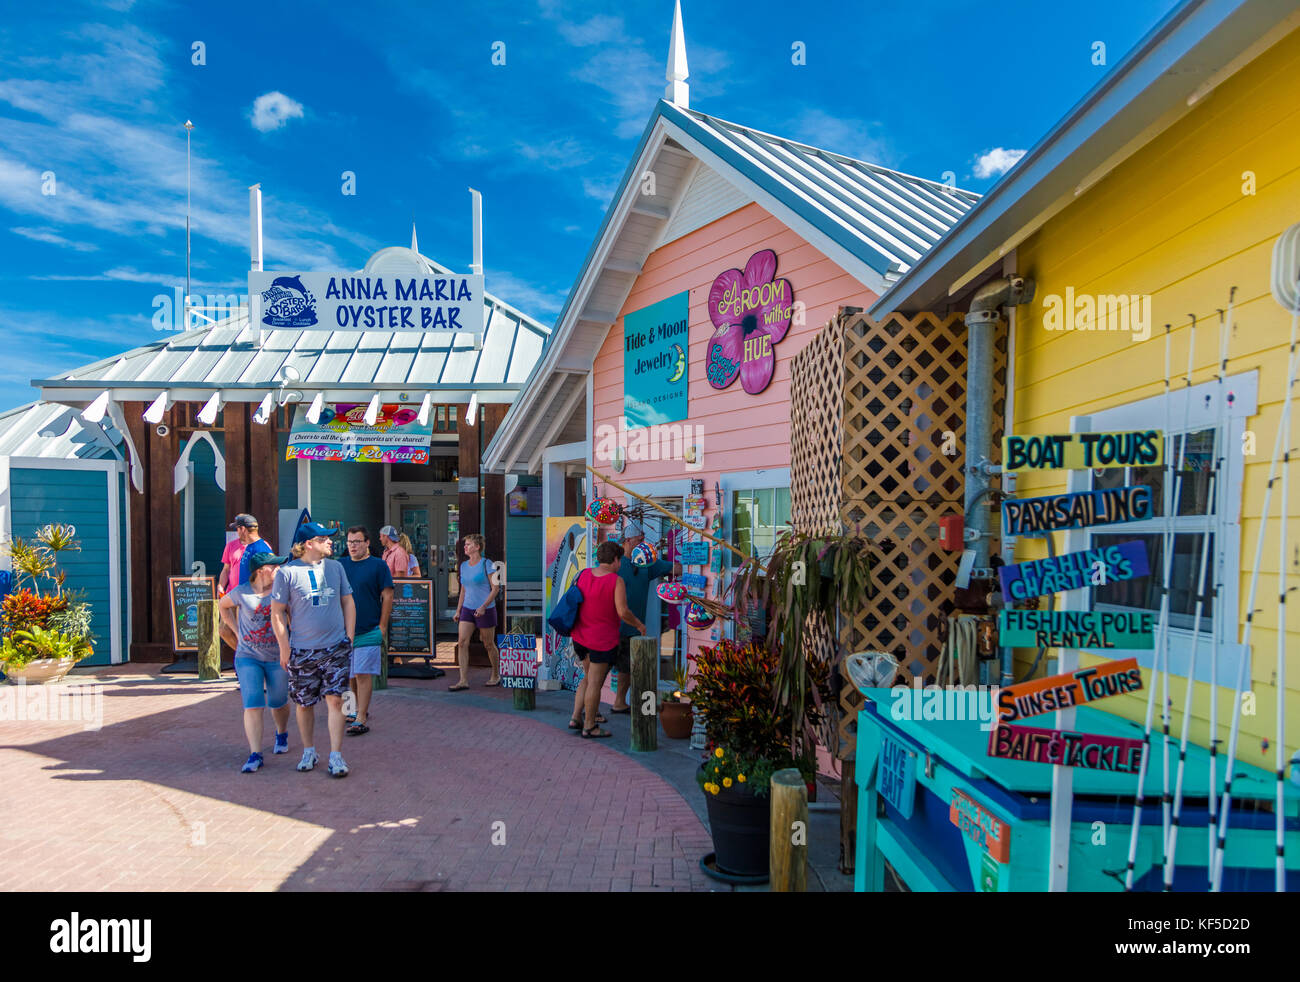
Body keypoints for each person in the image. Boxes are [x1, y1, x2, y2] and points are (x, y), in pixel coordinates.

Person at [271, 522, 356, 778]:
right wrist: (284, 648)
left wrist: (349, 637)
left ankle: (336, 755)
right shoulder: (286, 573)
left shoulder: (336, 567)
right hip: (302, 649)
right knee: (304, 703)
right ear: (309, 544)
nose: (331, 542)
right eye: (324, 538)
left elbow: (348, 601)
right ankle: (309, 751)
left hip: (335, 647)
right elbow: (276, 612)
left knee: (337, 699)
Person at [219, 551, 291, 772]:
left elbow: (292, 616)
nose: (279, 569)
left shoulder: (281, 592)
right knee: (253, 704)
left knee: (278, 701)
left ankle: (281, 732)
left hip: (275, 656)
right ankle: (255, 753)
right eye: (274, 566)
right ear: (262, 571)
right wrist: (236, 632)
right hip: (248, 656)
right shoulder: (241, 592)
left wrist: (288, 646)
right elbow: (223, 605)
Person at [568, 540, 646, 738]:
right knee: (595, 682)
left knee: (587, 678)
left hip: (580, 636)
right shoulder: (615, 580)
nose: (620, 564)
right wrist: (638, 624)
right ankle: (589, 726)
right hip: (601, 639)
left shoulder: (584, 574)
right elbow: (623, 611)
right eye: (619, 560)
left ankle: (575, 717)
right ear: (615, 559)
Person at [609, 529, 680, 714]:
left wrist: (695, 566)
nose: (642, 542)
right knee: (601, 668)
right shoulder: (615, 563)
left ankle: (619, 702)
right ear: (627, 540)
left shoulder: (646, 564)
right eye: (638, 539)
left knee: (627, 668)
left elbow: (674, 567)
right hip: (610, 625)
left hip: (632, 627)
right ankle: (588, 711)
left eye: (643, 539)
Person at [339, 525, 393, 736]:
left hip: (369, 628)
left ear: (367, 543)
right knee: (347, 674)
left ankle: (361, 716)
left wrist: (382, 625)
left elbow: (387, 595)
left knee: (362, 674)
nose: (353, 546)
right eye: (350, 542)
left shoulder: (378, 566)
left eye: (357, 542)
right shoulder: (340, 565)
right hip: (343, 630)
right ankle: (351, 710)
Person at [449, 533, 500, 691]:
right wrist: (458, 610)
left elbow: (495, 589)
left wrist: (484, 606)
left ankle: (495, 674)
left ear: (477, 547)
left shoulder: (488, 564)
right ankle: (463, 680)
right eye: (465, 544)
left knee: (488, 644)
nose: (465, 547)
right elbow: (463, 590)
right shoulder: (463, 566)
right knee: (462, 642)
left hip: (486, 609)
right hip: (468, 608)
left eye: (469, 544)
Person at [218, 513, 264, 593]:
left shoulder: (262, 546)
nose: (237, 532)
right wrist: (221, 585)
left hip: (252, 596)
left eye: (237, 529)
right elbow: (226, 569)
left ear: (243, 529)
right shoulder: (230, 545)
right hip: (232, 594)